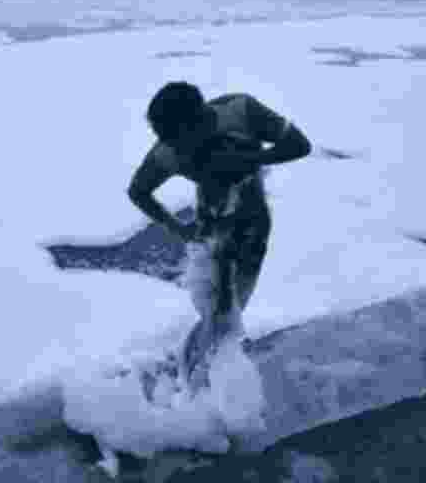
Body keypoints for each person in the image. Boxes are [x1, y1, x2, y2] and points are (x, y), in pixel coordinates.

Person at [128, 81, 312, 390]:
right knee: (218, 313)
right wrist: (178, 229)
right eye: (166, 140)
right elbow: (139, 191)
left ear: (199, 119)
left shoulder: (241, 112)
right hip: (208, 236)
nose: (175, 147)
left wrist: (251, 160)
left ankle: (204, 378)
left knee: (231, 309)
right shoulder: (169, 150)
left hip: (252, 229)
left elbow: (300, 145)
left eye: (179, 139)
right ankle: (196, 381)